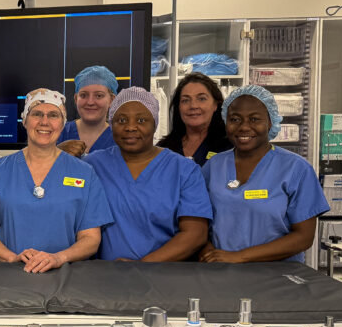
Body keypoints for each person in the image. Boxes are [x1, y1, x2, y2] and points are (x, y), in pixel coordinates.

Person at [0, 89, 112, 273]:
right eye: (37, 114)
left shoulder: (84, 173)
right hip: (8, 277)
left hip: (65, 278)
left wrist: (58, 258)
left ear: (63, 124)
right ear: (24, 120)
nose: (44, 122)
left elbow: (90, 239)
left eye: (53, 115)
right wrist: (13, 258)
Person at [201, 85, 329, 263]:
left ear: (270, 122)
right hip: (223, 273)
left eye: (254, 119)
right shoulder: (213, 167)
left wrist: (238, 257)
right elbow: (199, 222)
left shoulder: (296, 169)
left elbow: (304, 237)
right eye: (235, 119)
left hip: (277, 277)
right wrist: (208, 253)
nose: (244, 127)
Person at [87, 87, 212, 261]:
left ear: (154, 123)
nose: (130, 127)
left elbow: (195, 235)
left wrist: (142, 265)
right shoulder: (93, 165)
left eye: (141, 120)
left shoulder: (183, 170)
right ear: (111, 124)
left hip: (164, 278)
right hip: (107, 277)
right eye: (121, 120)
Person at [157, 72, 232, 166]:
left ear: (216, 105)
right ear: (178, 107)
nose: (193, 106)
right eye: (185, 100)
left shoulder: (230, 147)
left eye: (201, 99)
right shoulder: (164, 148)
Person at [58, 66, 118, 154]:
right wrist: (55, 154)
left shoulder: (119, 138)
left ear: (111, 100)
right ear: (76, 99)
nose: (90, 102)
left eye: (99, 96)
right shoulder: (59, 132)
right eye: (83, 95)